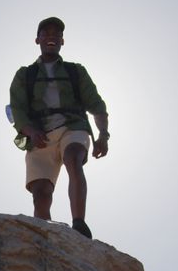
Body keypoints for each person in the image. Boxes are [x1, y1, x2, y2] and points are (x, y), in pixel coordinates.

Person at [8, 16, 110, 239]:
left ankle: (79, 223)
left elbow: (96, 104)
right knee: (41, 193)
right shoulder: (25, 75)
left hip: (72, 127)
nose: (52, 36)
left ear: (62, 41)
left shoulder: (76, 71)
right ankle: (42, 236)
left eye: (57, 34)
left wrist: (103, 134)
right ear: (38, 40)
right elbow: (17, 110)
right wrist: (31, 131)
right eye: (46, 33)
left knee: (73, 158)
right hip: (39, 135)